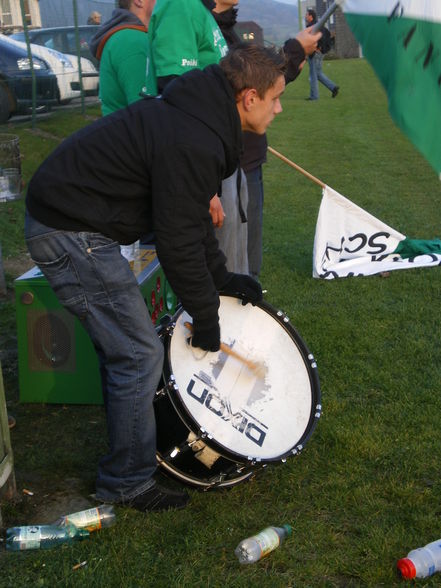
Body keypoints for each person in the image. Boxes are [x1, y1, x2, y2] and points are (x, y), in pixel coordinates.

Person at [24, 43, 284, 513]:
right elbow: (177, 242)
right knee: (138, 353)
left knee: (129, 350)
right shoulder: (195, 138)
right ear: (248, 98)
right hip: (68, 228)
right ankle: (126, 481)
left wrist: (223, 278)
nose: (279, 108)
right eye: (275, 98)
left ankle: (130, 450)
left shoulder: (200, 121)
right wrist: (206, 316)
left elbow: (187, 220)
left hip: (75, 220)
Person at [212, 0, 321, 279]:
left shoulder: (225, 28)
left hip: (246, 160)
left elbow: (259, 79)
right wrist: (294, 49)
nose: (279, 108)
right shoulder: (197, 23)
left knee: (248, 263)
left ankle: (250, 306)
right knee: (230, 267)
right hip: (223, 167)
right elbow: (251, 81)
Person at [145, 0, 248, 274]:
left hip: (216, 153)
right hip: (198, 161)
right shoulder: (180, 5)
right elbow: (177, 95)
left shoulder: (200, 9)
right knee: (207, 267)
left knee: (229, 264)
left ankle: (233, 311)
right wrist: (204, 184)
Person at [89, 0, 156, 116]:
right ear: (139, 1)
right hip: (134, 132)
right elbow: (146, 113)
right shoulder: (133, 40)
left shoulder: (127, 36)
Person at [305, 8, 339, 101]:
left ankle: (314, 97)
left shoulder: (313, 26)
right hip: (319, 53)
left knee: (313, 75)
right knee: (318, 74)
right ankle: (333, 87)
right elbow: (328, 33)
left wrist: (319, 47)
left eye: (306, 15)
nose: (305, 16)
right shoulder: (319, 25)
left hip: (315, 53)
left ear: (311, 17)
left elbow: (319, 37)